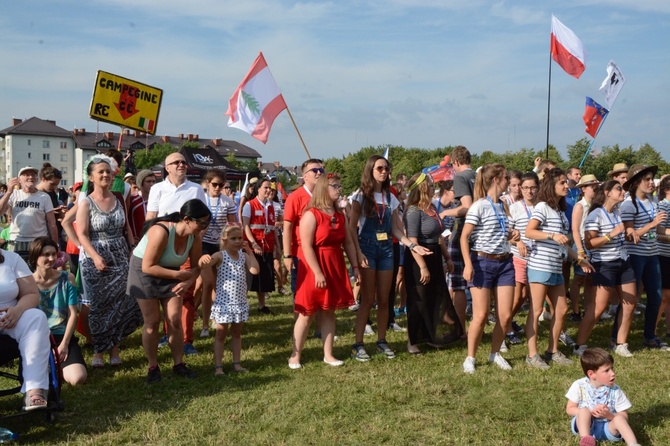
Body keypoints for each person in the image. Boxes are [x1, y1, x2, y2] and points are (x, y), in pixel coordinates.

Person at [349, 155, 431, 361]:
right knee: (367, 299)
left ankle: (381, 340)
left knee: (385, 299)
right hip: (367, 249)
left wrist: (412, 245)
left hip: (386, 250)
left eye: (386, 168)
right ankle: (358, 344)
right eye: (379, 168)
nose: (384, 172)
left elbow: (396, 228)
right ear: (370, 170)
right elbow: (351, 228)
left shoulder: (390, 197)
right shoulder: (360, 196)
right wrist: (357, 253)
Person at [127, 199, 210, 383]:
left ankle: (178, 364)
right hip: (144, 272)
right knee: (152, 322)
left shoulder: (194, 237)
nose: (204, 228)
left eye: (207, 223)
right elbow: (148, 267)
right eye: (202, 223)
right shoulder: (160, 231)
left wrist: (188, 282)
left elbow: (197, 267)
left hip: (172, 274)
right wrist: (179, 275)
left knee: (174, 320)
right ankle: (153, 367)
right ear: (187, 219)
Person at [76, 155, 142, 367]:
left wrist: (132, 248)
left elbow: (127, 227)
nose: (106, 175)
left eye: (108, 172)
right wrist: (95, 257)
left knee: (120, 304)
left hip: (121, 255)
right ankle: (98, 351)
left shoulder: (119, 197)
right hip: (96, 258)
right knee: (99, 305)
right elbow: (82, 234)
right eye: (100, 172)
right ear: (91, 177)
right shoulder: (86, 202)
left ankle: (115, 347)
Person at [289, 173, 360, 368]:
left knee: (329, 311)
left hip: (334, 263)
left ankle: (328, 354)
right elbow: (306, 246)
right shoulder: (311, 214)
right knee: (307, 312)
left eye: (339, 185)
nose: (339, 189)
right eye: (335, 186)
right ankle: (295, 355)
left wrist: (355, 267)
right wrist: (318, 272)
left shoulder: (339, 215)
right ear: (323, 189)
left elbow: (348, 243)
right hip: (314, 266)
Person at [524, 168, 593, 370]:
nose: (566, 186)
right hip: (540, 266)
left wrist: (579, 259)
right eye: (562, 183)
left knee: (561, 309)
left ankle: (552, 351)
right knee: (536, 311)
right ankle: (532, 355)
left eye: (565, 182)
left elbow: (564, 243)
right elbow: (530, 231)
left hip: (556, 266)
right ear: (551, 186)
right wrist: (551, 235)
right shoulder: (542, 207)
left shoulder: (560, 211)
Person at [145, 152, 207, 356]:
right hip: (161, 246)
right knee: (164, 292)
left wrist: (195, 242)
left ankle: (187, 339)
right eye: (176, 162)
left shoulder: (196, 189)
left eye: (183, 161)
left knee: (185, 294)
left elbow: (203, 220)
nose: (181, 164)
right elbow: (151, 218)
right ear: (167, 167)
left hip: (187, 246)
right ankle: (168, 333)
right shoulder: (157, 189)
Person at [460, 164, 519, 373]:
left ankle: (495, 354)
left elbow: (505, 232)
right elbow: (464, 237)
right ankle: (470, 357)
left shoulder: (503, 205)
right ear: (496, 180)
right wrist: (468, 264)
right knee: (481, 315)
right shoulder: (479, 206)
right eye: (506, 178)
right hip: (482, 262)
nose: (509, 182)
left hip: (505, 263)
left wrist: (513, 236)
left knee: (504, 316)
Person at [573, 181, 636, 358]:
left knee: (629, 304)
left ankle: (621, 343)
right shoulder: (596, 215)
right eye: (618, 189)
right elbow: (589, 244)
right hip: (604, 265)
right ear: (607, 192)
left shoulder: (617, 212)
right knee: (598, 308)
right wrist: (611, 234)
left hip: (623, 261)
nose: (622, 191)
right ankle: (579, 345)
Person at [404, 173, 462, 355]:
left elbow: (439, 236)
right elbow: (412, 240)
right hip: (418, 258)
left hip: (435, 255)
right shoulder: (413, 211)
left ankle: (431, 336)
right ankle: (412, 340)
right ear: (421, 188)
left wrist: (447, 257)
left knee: (434, 297)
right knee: (419, 299)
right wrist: (422, 266)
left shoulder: (431, 208)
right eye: (429, 185)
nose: (432, 188)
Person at [617, 164, 667, 349]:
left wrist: (663, 232)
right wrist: (653, 223)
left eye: (651, 179)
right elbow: (630, 234)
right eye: (646, 179)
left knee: (656, 297)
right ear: (636, 182)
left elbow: (659, 229)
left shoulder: (653, 201)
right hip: (635, 255)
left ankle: (649, 337)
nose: (651, 183)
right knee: (630, 299)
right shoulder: (629, 203)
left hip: (652, 254)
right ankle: (617, 338)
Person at [199, 225, 259, 375]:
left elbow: (255, 270)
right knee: (221, 335)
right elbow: (204, 264)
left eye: (240, 238)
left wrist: (250, 252)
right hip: (224, 304)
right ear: (225, 240)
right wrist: (202, 259)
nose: (238, 241)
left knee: (237, 334)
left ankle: (236, 363)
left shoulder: (243, 256)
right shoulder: (220, 255)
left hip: (239, 304)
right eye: (233, 238)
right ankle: (218, 366)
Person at [29, 237, 87, 385]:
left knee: (78, 378)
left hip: (62, 336)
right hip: (37, 338)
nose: (51, 258)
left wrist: (64, 344)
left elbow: (73, 313)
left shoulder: (68, 278)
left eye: (54, 254)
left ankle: (55, 364)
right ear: (35, 257)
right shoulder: (27, 283)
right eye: (46, 255)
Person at [0, 248, 51, 410]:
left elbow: (31, 293)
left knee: (36, 317)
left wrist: (18, 310)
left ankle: (34, 390)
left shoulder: (11, 259)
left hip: (11, 317)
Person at [565, 348, 640, 446]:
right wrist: (590, 412)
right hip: (586, 427)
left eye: (612, 368)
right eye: (607, 370)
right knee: (583, 411)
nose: (612, 373)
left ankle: (633, 444)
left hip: (607, 428)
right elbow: (569, 409)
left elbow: (624, 416)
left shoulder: (615, 390)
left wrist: (609, 415)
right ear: (591, 374)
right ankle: (586, 440)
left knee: (619, 419)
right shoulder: (579, 385)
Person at [198, 169, 236, 337]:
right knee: (207, 283)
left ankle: (215, 317)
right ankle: (205, 324)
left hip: (220, 245)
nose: (218, 188)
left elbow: (233, 225)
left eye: (221, 185)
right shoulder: (201, 199)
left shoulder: (227, 201)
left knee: (219, 284)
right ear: (207, 184)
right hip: (203, 244)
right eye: (215, 184)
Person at [443, 146, 476, 335]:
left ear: (455, 162)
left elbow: (467, 207)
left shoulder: (461, 177)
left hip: (463, 232)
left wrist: (446, 211)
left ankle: (460, 330)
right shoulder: (480, 176)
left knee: (459, 285)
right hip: (479, 234)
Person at [507, 171, 539, 344]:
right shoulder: (515, 207)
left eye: (533, 187)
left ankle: (505, 320)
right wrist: (517, 241)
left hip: (537, 258)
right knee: (518, 295)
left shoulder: (542, 207)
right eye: (525, 188)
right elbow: (507, 233)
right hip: (518, 256)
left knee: (525, 295)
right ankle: (506, 327)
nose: (529, 191)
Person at [0, 166, 58, 261]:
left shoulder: (44, 197)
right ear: (19, 180)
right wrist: (8, 192)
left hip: (39, 242)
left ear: (37, 178)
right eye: (27, 175)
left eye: (33, 175)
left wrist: (55, 245)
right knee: (16, 272)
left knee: (37, 272)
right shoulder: (14, 194)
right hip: (16, 241)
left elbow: (52, 223)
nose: (31, 177)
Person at [242, 178, 277, 314]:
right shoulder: (249, 205)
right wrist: (253, 244)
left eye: (270, 188)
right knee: (248, 278)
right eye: (266, 187)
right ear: (258, 189)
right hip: (252, 248)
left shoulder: (271, 206)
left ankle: (262, 306)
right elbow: (246, 227)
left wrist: (277, 247)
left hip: (266, 247)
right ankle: (242, 305)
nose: (269, 190)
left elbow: (272, 228)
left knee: (263, 277)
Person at [569, 175, 599, 323]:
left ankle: (588, 309)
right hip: (580, 242)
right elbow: (575, 229)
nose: (595, 189)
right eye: (592, 186)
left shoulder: (596, 205)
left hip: (592, 243)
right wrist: (580, 251)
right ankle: (575, 310)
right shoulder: (580, 206)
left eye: (596, 186)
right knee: (579, 279)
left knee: (590, 279)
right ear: (583, 189)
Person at [655, 176, 670, 338]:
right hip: (664, 255)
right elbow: (659, 230)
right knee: (664, 297)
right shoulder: (663, 206)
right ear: (666, 190)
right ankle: (652, 331)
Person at [128, 170, 156, 243]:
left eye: (153, 181)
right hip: (137, 242)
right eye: (148, 181)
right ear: (141, 183)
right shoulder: (132, 200)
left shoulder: (159, 201)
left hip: (154, 240)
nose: (152, 184)